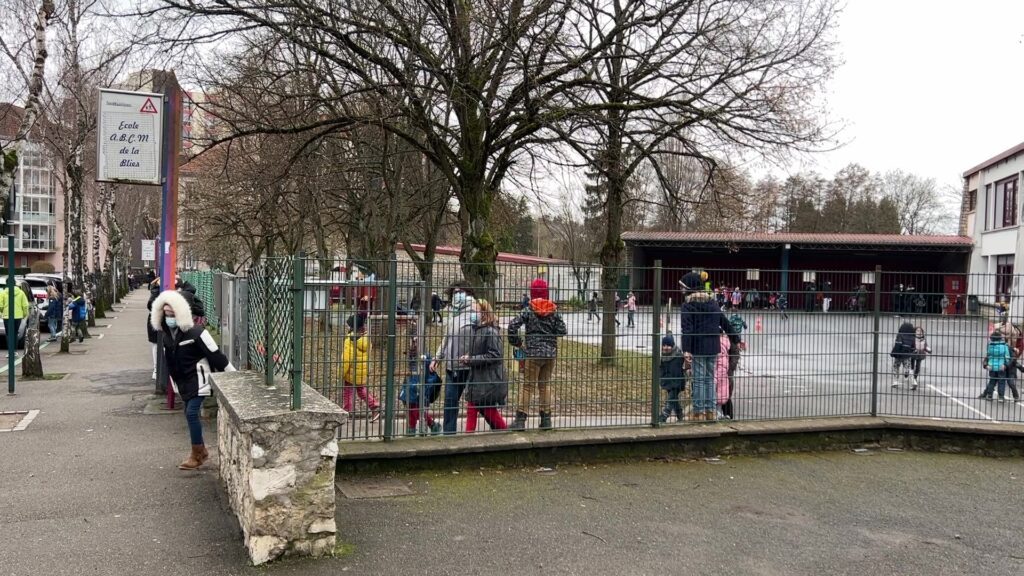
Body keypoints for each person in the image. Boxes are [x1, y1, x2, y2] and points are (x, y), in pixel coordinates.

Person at [150, 289, 230, 470]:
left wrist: (232, 375)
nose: (169, 317)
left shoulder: (196, 333)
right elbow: (170, 361)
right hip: (183, 381)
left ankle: (197, 454)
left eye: (172, 313)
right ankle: (201, 451)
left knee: (192, 412)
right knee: (189, 412)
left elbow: (215, 355)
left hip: (199, 379)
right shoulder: (167, 335)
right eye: (166, 313)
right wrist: (174, 382)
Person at [508, 277, 567, 430]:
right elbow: (562, 330)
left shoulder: (528, 309)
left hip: (533, 353)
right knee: (544, 385)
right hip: (550, 354)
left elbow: (512, 326)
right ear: (546, 292)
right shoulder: (553, 310)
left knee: (528, 386)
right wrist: (550, 332)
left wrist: (518, 343)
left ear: (532, 292)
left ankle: (520, 421)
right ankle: (546, 420)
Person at [679, 272, 740, 421]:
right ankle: (711, 411)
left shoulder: (688, 305)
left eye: (683, 287)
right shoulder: (712, 303)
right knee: (709, 378)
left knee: (699, 379)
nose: (681, 290)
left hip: (698, 346)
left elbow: (687, 329)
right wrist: (736, 338)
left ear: (690, 287)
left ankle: (699, 412)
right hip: (714, 346)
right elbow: (724, 321)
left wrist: (686, 349)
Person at [432, 285, 476, 435]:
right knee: (450, 403)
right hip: (452, 368)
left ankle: (495, 427)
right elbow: (446, 339)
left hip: (470, 367)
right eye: (455, 293)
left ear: (468, 293)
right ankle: (449, 435)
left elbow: (481, 338)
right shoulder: (453, 315)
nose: (457, 295)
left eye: (460, 292)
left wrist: (472, 355)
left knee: (476, 403)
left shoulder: (476, 313)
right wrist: (437, 358)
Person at [460, 299, 508, 431]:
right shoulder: (478, 330)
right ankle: (468, 439)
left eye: (475, 311)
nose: (472, 314)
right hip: (478, 379)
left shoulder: (490, 331)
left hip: (487, 380)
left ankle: (504, 432)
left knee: (488, 411)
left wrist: (471, 359)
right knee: (473, 407)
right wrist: (469, 357)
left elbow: (495, 355)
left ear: (484, 313)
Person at [342, 314, 381, 421]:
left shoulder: (350, 340)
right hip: (362, 371)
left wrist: (342, 372)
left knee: (347, 392)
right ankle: (374, 406)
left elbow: (346, 359)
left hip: (351, 372)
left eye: (348, 325)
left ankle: (346, 413)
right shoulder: (366, 338)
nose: (347, 327)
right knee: (361, 391)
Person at [658, 335, 685, 423]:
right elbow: (661, 369)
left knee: (670, 399)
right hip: (668, 381)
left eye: (668, 345)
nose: (666, 348)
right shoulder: (663, 357)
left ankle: (665, 415)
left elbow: (679, 371)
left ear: (672, 346)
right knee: (674, 399)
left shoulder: (678, 356)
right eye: (664, 345)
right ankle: (679, 414)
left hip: (677, 381)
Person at [980, 330, 1012, 401]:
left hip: (991, 366)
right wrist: (1005, 365)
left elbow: (988, 355)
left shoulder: (990, 346)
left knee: (992, 381)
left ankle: (989, 395)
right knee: (1001, 382)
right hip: (1001, 366)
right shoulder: (1004, 346)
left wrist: (987, 365)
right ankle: (1001, 397)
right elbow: (1007, 357)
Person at [890, 321, 915, 388]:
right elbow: (913, 347)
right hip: (907, 355)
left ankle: (895, 381)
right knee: (908, 367)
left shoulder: (900, 335)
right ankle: (913, 381)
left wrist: (893, 353)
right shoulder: (912, 337)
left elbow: (897, 344)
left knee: (896, 366)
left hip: (899, 354)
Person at [146, 279, 161, 378]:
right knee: (156, 344)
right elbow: (150, 305)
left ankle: (157, 369)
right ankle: (156, 368)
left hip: (157, 319)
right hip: (155, 319)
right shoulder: (155, 291)